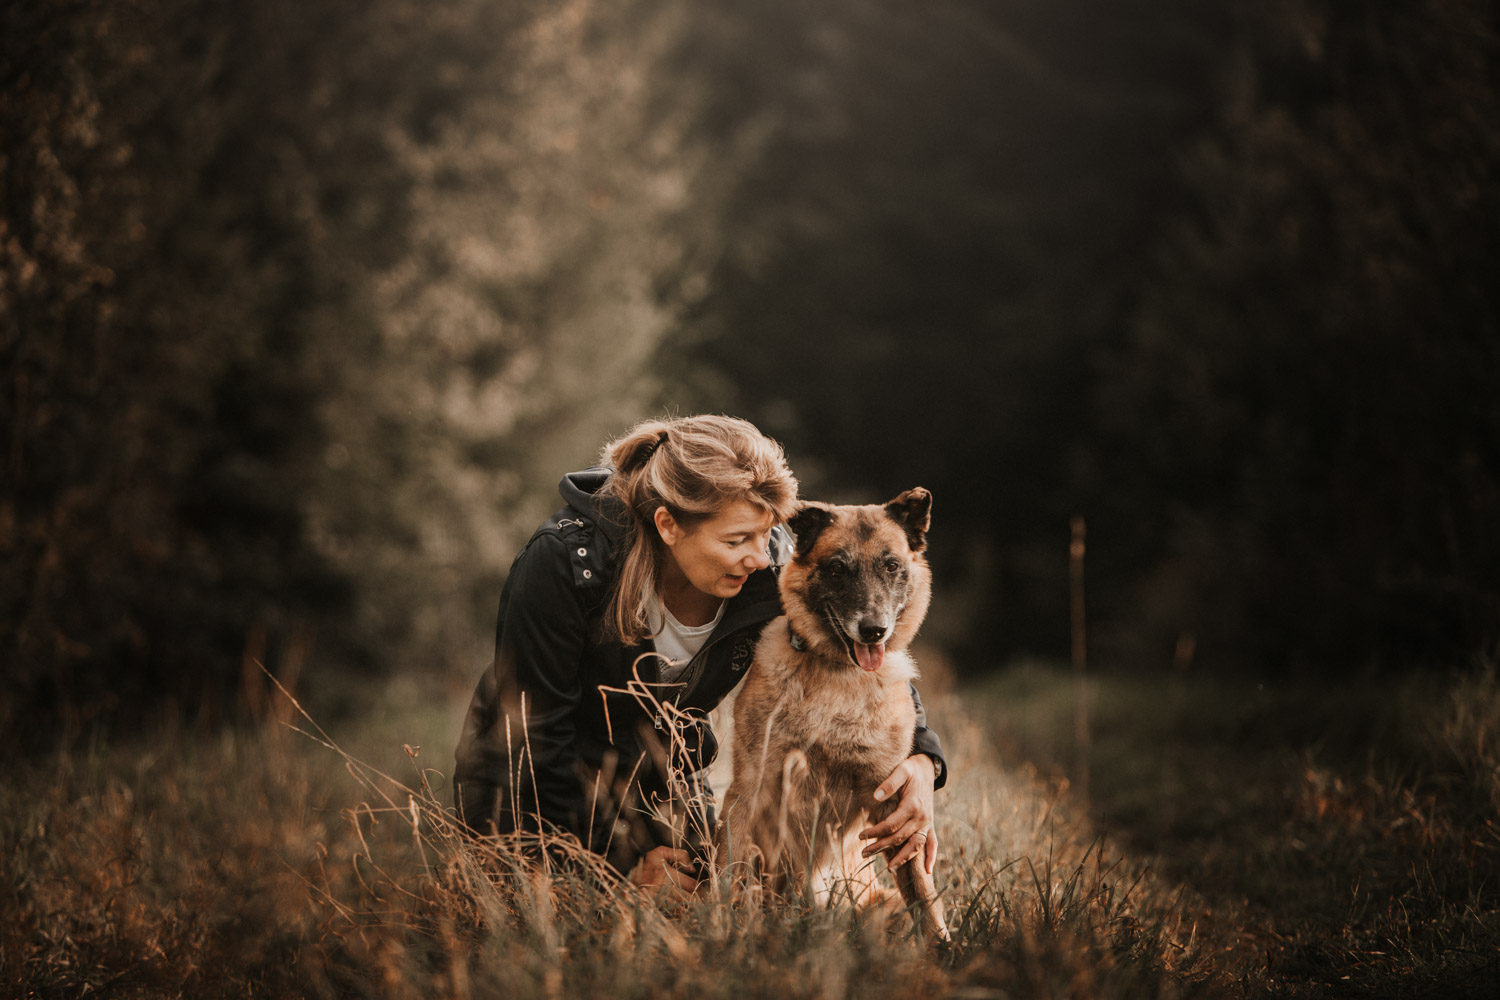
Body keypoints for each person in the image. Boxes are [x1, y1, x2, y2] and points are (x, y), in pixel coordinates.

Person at [452, 414, 947, 891]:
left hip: (662, 785)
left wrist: (923, 759)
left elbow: (855, 651)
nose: (761, 556)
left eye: (767, 533)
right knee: (556, 915)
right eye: (736, 540)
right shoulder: (566, 563)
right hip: (528, 792)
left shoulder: (768, 567)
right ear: (669, 526)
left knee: (699, 904)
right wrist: (614, 861)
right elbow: (535, 737)